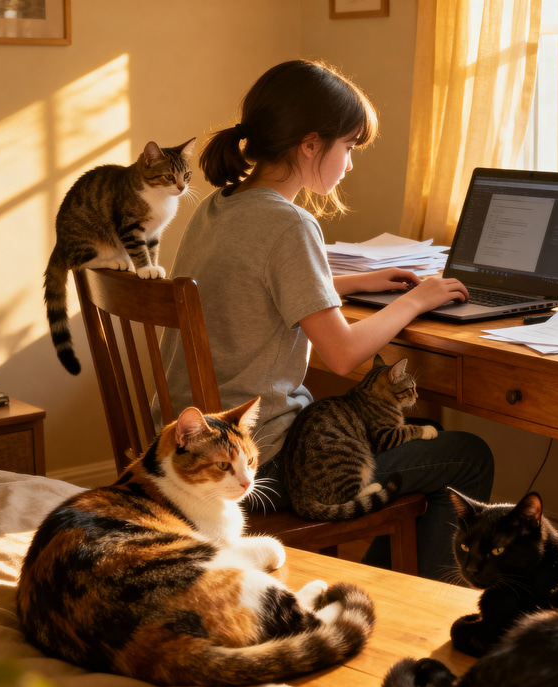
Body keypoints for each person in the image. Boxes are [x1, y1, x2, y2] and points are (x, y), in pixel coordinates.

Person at [160, 59, 494, 580]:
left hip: (194, 450)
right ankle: (409, 596)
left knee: (391, 432)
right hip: (257, 462)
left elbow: (244, 294)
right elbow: (341, 356)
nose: (351, 163)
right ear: (311, 144)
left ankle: (383, 581)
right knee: (467, 455)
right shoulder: (290, 223)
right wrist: (415, 301)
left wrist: (351, 283)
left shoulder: (217, 207)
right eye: (350, 146)